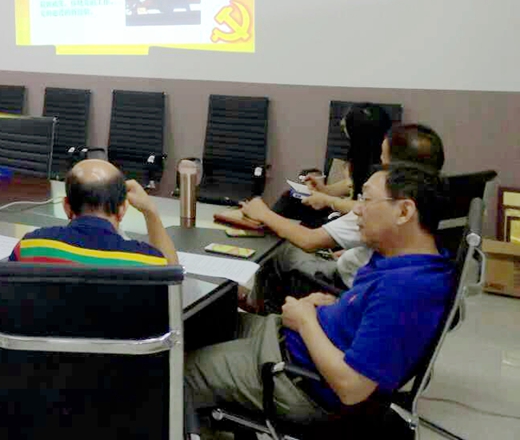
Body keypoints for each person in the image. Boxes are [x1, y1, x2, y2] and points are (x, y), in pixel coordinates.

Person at [186, 164, 454, 429]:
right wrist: (334, 306)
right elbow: (373, 320)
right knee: (202, 327)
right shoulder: (409, 261)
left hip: (296, 379)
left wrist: (306, 321)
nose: (357, 209)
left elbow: (352, 388)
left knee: (178, 372)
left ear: (404, 211)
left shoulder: (404, 290)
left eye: (367, 200)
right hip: (289, 342)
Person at [244, 124, 445, 306]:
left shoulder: (381, 212)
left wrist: (263, 213)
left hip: (340, 285)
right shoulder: (431, 202)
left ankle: (257, 306)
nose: (358, 208)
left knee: (281, 250)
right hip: (351, 271)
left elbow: (309, 241)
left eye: (384, 158)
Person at [10, 159, 179, 266]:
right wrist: (150, 212)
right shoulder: (144, 260)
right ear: (122, 210)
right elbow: (172, 280)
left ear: (66, 207)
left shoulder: (30, 247)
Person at [271, 103, 393, 227]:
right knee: (290, 197)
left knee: (308, 225)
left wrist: (328, 200)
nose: (341, 123)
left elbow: (367, 208)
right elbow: (351, 183)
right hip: (344, 209)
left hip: (357, 218)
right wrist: (325, 190)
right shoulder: (361, 156)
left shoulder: (384, 164)